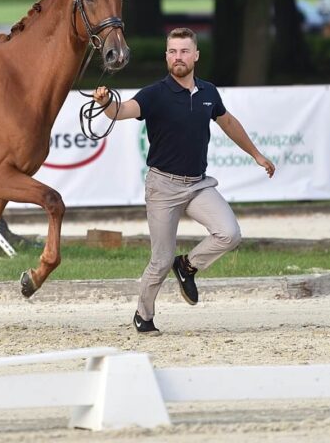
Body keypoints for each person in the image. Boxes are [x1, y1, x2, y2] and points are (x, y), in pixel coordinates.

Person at [93, 27, 275, 335]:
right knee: (160, 261)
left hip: (198, 185)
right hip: (163, 187)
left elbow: (228, 122)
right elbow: (121, 111)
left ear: (195, 55)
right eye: (173, 52)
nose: (178, 57)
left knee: (229, 233)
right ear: (166, 56)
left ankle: (188, 265)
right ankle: (144, 315)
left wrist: (257, 155)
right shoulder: (155, 94)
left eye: (184, 51)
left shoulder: (208, 93)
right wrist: (105, 102)